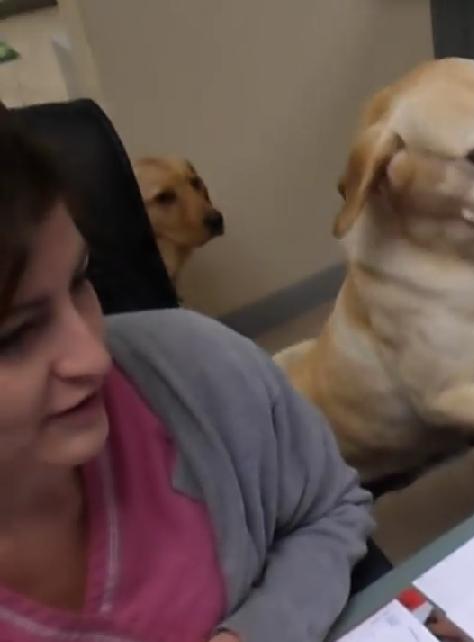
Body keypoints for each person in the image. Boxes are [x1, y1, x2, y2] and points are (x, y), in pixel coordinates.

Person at [0, 109, 374, 641]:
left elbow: (332, 508)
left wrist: (256, 632)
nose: (92, 357)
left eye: (80, 281)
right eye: (14, 336)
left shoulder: (198, 365)